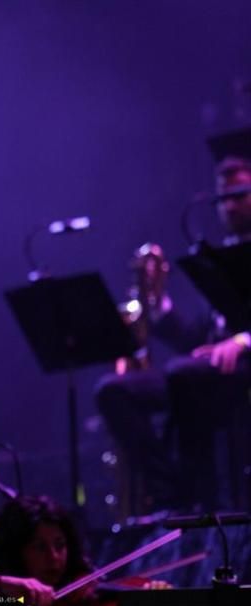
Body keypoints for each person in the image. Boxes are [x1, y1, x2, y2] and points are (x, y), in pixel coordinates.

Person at [95, 132, 251, 511]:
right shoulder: (217, 257)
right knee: (114, 391)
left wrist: (245, 339)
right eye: (222, 198)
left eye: (238, 196)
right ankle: (173, 492)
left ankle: (203, 504)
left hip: (242, 367)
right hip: (209, 370)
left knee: (184, 375)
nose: (228, 208)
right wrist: (158, 306)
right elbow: (198, 337)